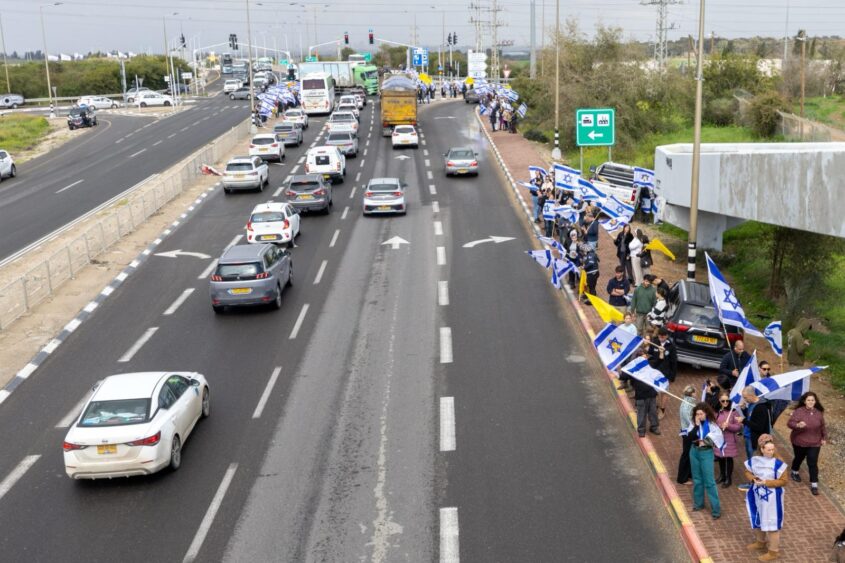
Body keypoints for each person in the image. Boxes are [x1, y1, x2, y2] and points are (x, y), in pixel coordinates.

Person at [745, 434, 788, 561]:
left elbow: (783, 481)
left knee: (772, 524)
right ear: (762, 449)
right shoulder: (755, 460)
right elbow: (747, 471)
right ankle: (760, 542)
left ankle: (773, 552)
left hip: (773, 499)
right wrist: (753, 478)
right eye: (768, 449)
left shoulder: (779, 464)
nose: (771, 451)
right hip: (757, 495)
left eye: (772, 449)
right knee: (758, 518)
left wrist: (766, 483)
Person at [787, 391, 827, 496]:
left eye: (812, 400)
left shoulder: (819, 413)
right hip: (800, 441)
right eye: (808, 400)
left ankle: (814, 484)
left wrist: (824, 437)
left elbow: (822, 426)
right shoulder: (798, 411)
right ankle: (794, 471)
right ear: (805, 401)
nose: (810, 402)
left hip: (815, 442)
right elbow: (790, 423)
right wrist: (798, 425)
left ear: (815, 401)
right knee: (799, 458)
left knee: (812, 462)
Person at [688, 402, 722, 519]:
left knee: (709, 481)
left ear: (706, 413)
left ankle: (716, 510)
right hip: (694, 451)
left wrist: (705, 441)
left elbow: (717, 439)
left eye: (701, 414)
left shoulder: (712, 425)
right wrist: (697, 425)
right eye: (697, 414)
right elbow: (690, 436)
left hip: (706, 453)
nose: (699, 416)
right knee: (697, 479)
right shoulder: (694, 423)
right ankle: (698, 504)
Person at [715, 391, 744, 488]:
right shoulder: (717, 411)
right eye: (723, 401)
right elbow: (712, 424)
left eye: (727, 400)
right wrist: (719, 425)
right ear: (719, 401)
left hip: (729, 439)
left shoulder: (734, 411)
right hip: (719, 439)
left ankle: (728, 478)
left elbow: (738, 427)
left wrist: (729, 426)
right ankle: (722, 475)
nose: (725, 403)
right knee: (720, 457)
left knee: (728, 458)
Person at [632, 345, 661, 437]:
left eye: (644, 356)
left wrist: (661, 352)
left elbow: (659, 361)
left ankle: (654, 427)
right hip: (640, 396)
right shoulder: (632, 369)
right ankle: (641, 430)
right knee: (641, 413)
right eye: (642, 356)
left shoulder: (650, 365)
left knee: (653, 412)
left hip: (651, 394)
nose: (644, 358)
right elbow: (623, 376)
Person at [649, 327, 676, 419]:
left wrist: (672, 376)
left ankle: (662, 409)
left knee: (664, 392)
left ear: (666, 336)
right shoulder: (654, 342)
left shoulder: (671, 346)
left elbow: (674, 362)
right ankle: (654, 407)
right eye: (660, 336)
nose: (661, 338)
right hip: (655, 372)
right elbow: (650, 355)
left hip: (665, 373)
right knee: (653, 391)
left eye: (663, 337)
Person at [740, 385, 773, 462]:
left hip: (755, 439)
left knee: (754, 460)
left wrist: (743, 421)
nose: (745, 400)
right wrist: (744, 409)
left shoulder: (761, 408)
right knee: (750, 458)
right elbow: (751, 417)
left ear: (751, 395)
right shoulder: (752, 404)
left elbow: (758, 427)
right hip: (749, 436)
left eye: (745, 397)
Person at [677, 385, 697, 485]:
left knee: (688, 453)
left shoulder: (686, 402)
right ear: (692, 393)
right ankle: (682, 478)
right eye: (695, 392)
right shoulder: (688, 404)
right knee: (686, 454)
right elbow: (689, 420)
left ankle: (688, 474)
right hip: (688, 432)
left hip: (685, 431)